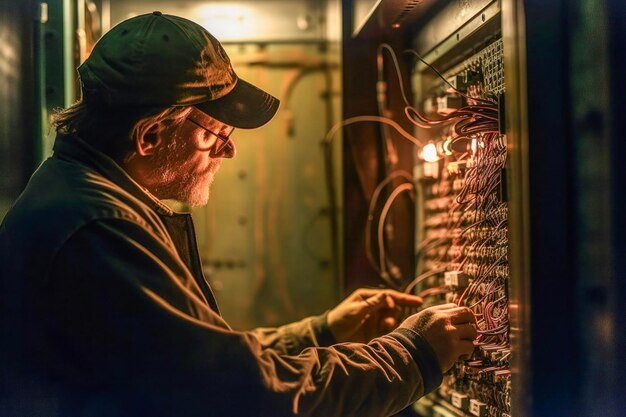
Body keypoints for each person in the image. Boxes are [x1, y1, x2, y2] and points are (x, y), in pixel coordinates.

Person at [0, 12, 477, 417]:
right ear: (148, 136)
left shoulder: (84, 197)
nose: (227, 150)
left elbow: (195, 362)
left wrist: (323, 330)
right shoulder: (99, 227)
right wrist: (412, 355)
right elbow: (237, 396)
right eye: (214, 132)